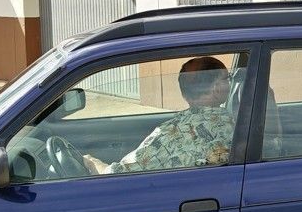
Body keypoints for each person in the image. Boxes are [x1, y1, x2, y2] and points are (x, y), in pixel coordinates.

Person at [83, 56, 235, 174]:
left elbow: (117, 175)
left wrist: (91, 162)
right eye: (227, 78)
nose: (230, 82)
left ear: (185, 93)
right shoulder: (233, 124)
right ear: (216, 88)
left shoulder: (169, 131)